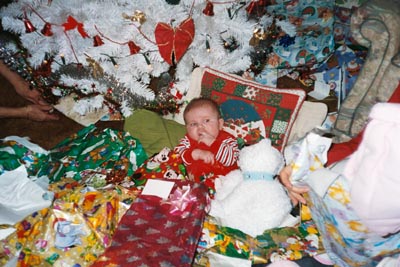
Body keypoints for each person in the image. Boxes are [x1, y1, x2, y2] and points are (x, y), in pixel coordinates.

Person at [174, 97, 239, 187]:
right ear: (187, 128)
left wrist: (212, 142)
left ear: (219, 124)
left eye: (206, 121)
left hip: (225, 187)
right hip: (196, 188)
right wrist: (193, 154)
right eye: (193, 124)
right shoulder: (187, 141)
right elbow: (176, 157)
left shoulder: (227, 139)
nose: (200, 127)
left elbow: (230, 160)